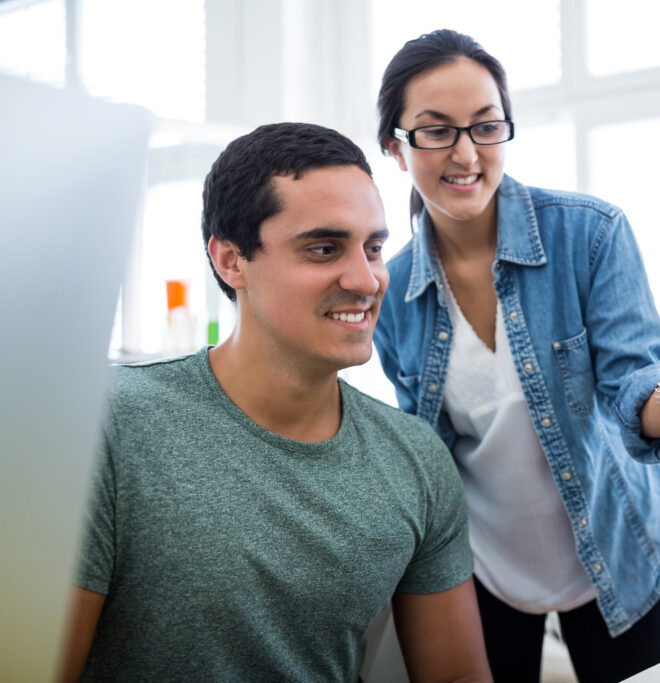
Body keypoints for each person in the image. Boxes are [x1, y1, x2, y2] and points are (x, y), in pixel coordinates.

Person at [58, 122, 491, 682]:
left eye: (375, 248)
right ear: (231, 261)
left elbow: (457, 676)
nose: (367, 279)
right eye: (323, 248)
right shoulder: (108, 428)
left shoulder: (415, 460)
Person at [373, 29, 660, 683]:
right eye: (436, 131)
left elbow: (636, 395)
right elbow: (423, 449)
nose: (466, 153)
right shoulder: (391, 291)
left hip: (614, 548)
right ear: (395, 148)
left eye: (486, 127)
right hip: (483, 565)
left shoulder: (590, 235)